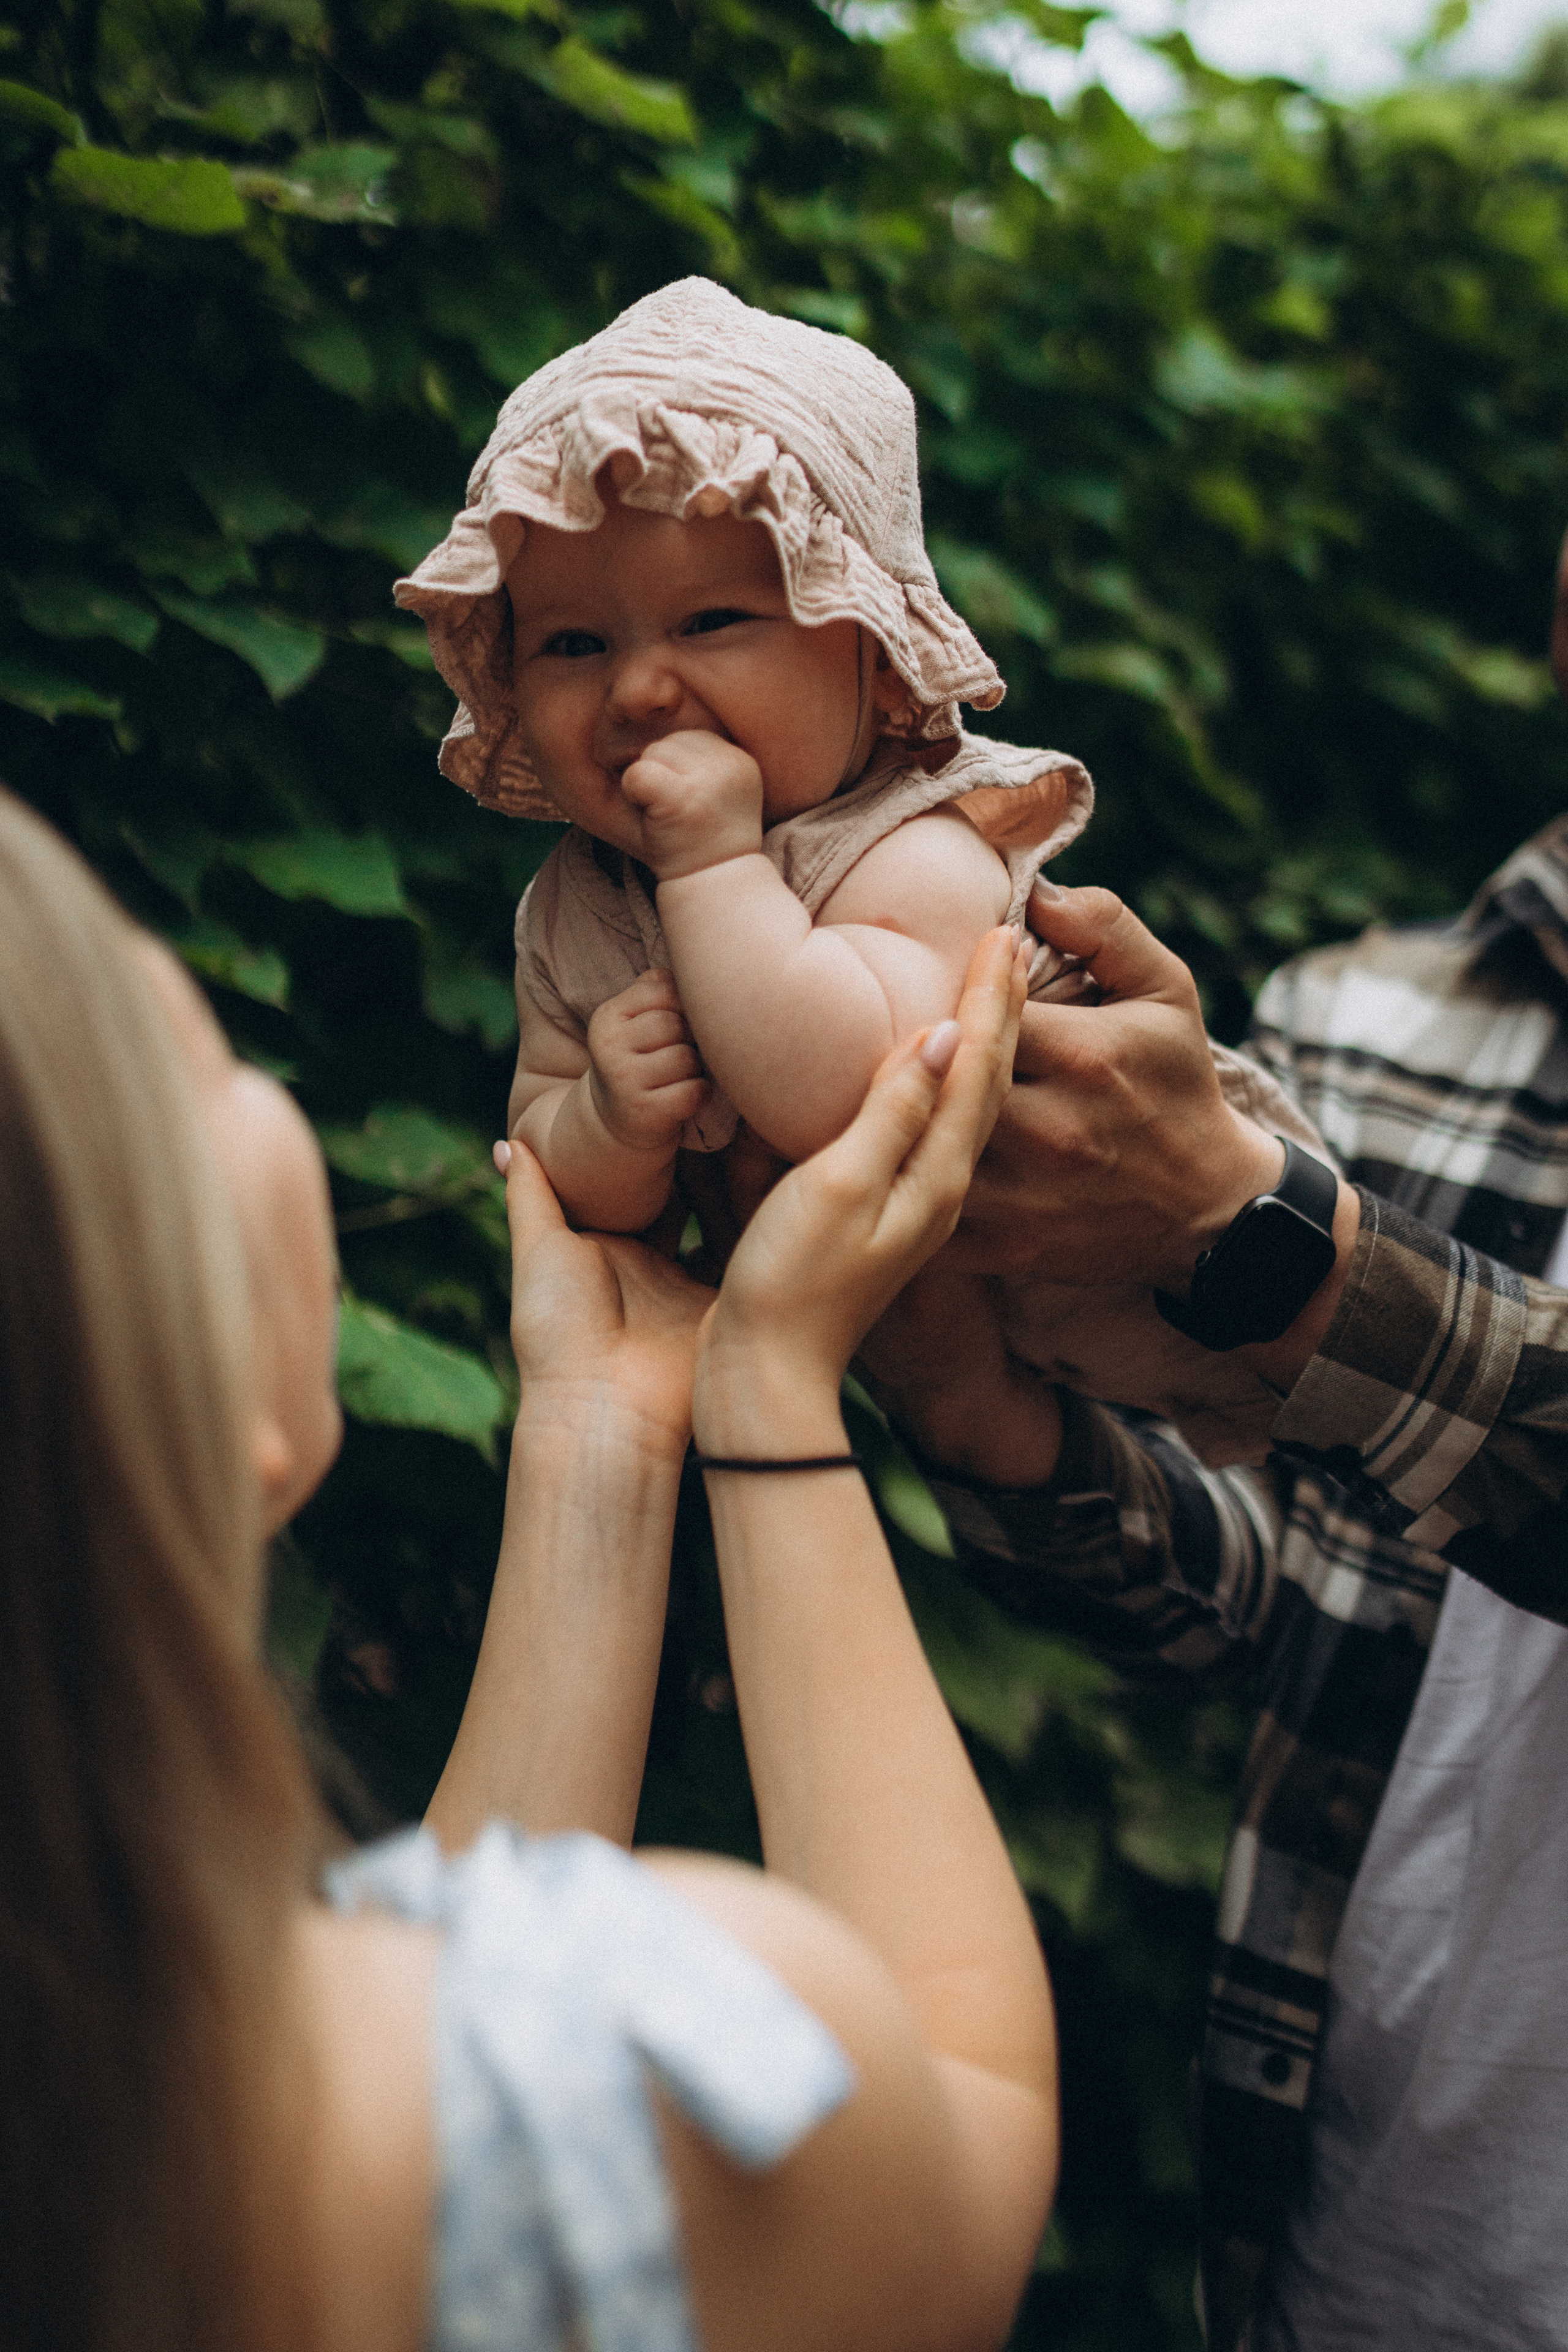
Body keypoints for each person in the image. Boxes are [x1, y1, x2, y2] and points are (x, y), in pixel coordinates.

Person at [0, 783, 1058, 2352]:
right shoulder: (639, 2087)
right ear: (160, 1376)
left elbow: (464, 1982)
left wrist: (601, 1429)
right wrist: (770, 1382)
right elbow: (953, 2113)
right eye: (205, 1059)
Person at [865, 550, 1568, 2350]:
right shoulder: (1376, 1024)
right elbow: (1261, 1607)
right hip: (1358, 2262)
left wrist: (1265, 1242)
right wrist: (969, 1395)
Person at [395, 271, 1314, 1467]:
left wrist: (717, 863)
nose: (636, 689)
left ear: (877, 667)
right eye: (573, 644)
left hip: (1204, 1294)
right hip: (973, 1374)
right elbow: (554, 1170)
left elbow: (842, 1097)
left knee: (1309, 1467)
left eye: (711, 623)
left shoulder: (919, 839)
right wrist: (605, 1122)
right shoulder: (576, 905)